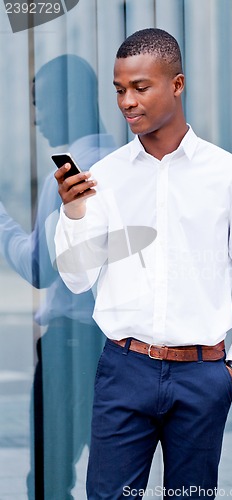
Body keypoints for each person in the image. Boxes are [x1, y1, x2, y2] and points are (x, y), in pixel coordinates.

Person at [54, 28, 232, 499]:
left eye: (140, 87)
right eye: (119, 90)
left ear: (177, 85)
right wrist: (73, 213)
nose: (127, 102)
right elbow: (77, 280)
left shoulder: (230, 175)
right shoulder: (107, 177)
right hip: (124, 369)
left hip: (203, 375)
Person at [0, 54, 116, 499]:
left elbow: (38, 268)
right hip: (119, 346)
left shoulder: (70, 172)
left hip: (70, 344)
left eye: (39, 102)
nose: (35, 119)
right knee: (111, 476)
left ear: (67, 99)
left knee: (50, 478)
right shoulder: (124, 160)